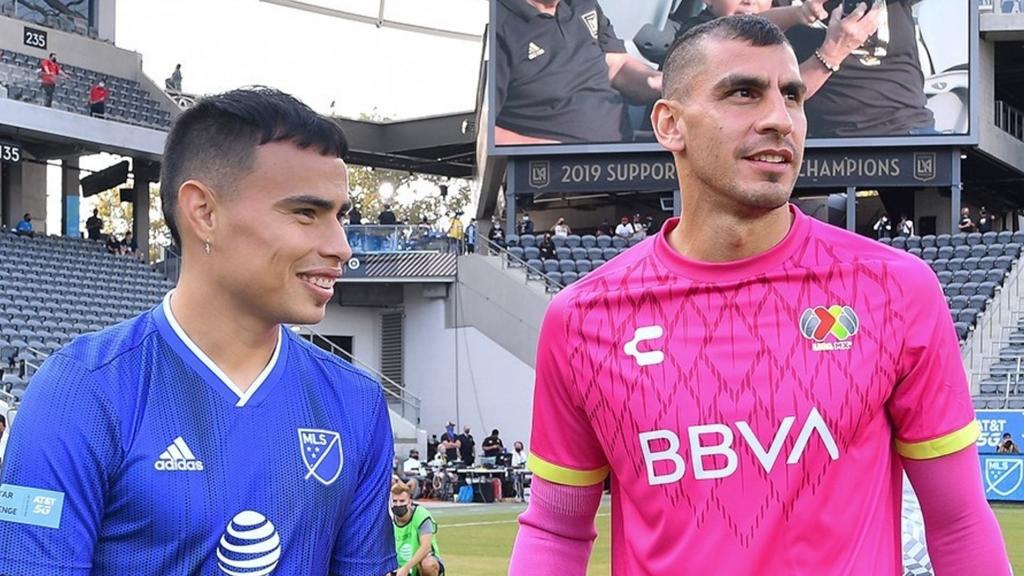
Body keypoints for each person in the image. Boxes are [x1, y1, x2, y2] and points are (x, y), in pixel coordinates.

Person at [510, 17, 1011, 575]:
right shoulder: (584, 319)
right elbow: (555, 529)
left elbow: (958, 520)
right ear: (670, 124)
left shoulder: (894, 290)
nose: (779, 118)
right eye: (744, 93)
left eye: (791, 96)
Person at [0, 88, 397, 574]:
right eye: (306, 213)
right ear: (205, 212)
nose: (341, 247)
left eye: (340, 217)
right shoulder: (81, 391)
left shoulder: (356, 401)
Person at [494, 0, 662, 145]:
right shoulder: (497, 24)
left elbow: (616, 65)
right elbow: (486, 131)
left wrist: (662, 83)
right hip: (557, 166)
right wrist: (546, 151)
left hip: (624, 154)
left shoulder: (583, 5)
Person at [667, 0, 882, 103]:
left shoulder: (790, 35)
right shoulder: (696, 35)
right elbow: (780, 98)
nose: (749, 0)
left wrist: (801, 14)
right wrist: (831, 53)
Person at [786, 0, 935, 137]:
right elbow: (779, 97)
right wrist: (831, 53)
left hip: (908, 129)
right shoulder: (782, 10)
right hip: (830, 141)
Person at [391, 481, 444, 576]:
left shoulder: (421, 515)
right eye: (395, 501)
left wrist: (406, 568)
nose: (398, 505)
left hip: (418, 563)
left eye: (402, 501)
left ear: (409, 502)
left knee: (428, 564)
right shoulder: (388, 519)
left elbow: (426, 547)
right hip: (398, 565)